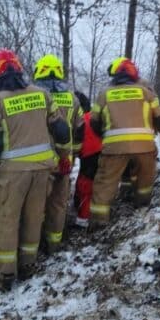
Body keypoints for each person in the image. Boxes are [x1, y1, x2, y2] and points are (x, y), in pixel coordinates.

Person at [0, 49, 70, 291]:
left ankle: (4, 275)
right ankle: (29, 264)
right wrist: (63, 157)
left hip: (11, 174)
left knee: (6, 222)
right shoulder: (42, 95)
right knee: (33, 217)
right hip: (43, 170)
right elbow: (62, 130)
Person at [88, 58, 160, 229]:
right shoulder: (145, 92)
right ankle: (142, 207)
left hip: (114, 148)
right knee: (144, 178)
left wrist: (106, 136)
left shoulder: (105, 94)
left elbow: (94, 123)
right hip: (144, 146)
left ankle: (99, 221)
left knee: (105, 182)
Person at [31, 54, 84, 253]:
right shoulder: (73, 99)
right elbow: (80, 130)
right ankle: (53, 244)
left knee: (35, 205)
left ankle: (31, 246)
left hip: (40, 162)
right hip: (64, 161)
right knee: (59, 203)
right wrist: (74, 154)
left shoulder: (34, 97)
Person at [73, 91, 100, 228]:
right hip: (102, 154)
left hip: (89, 156)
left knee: (85, 186)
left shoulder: (80, 120)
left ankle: (83, 219)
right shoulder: (94, 117)